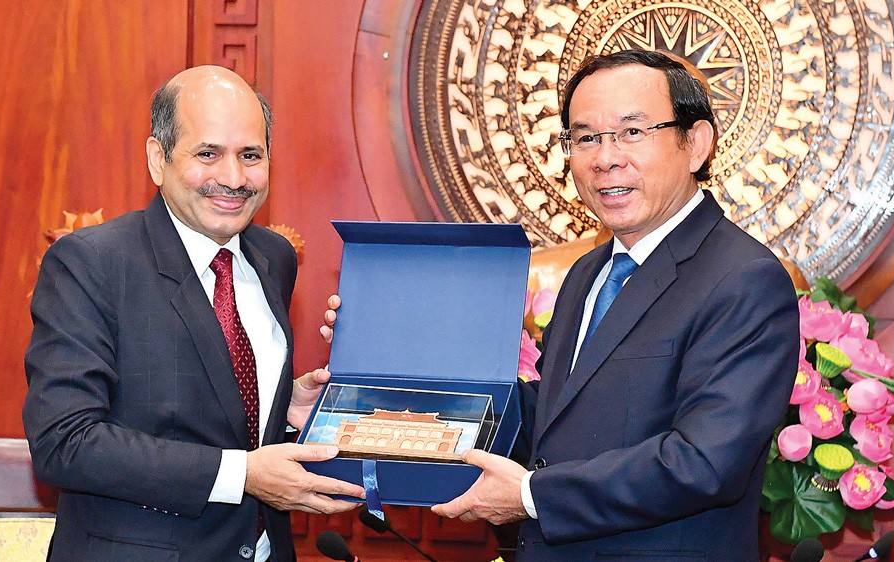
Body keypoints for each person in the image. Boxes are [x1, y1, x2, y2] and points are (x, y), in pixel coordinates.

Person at [325, 49, 800, 560]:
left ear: (696, 143)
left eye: (632, 132)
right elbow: (553, 422)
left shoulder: (743, 279)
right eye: (586, 137)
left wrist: (531, 496)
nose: (605, 158)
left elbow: (703, 463)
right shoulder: (586, 275)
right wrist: (376, 385)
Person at [23, 65, 364, 562]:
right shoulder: (92, 263)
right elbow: (65, 442)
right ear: (158, 159)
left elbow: (216, 395)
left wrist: (286, 412)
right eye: (208, 154)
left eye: (251, 156)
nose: (233, 178)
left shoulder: (273, 258)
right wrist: (242, 474)